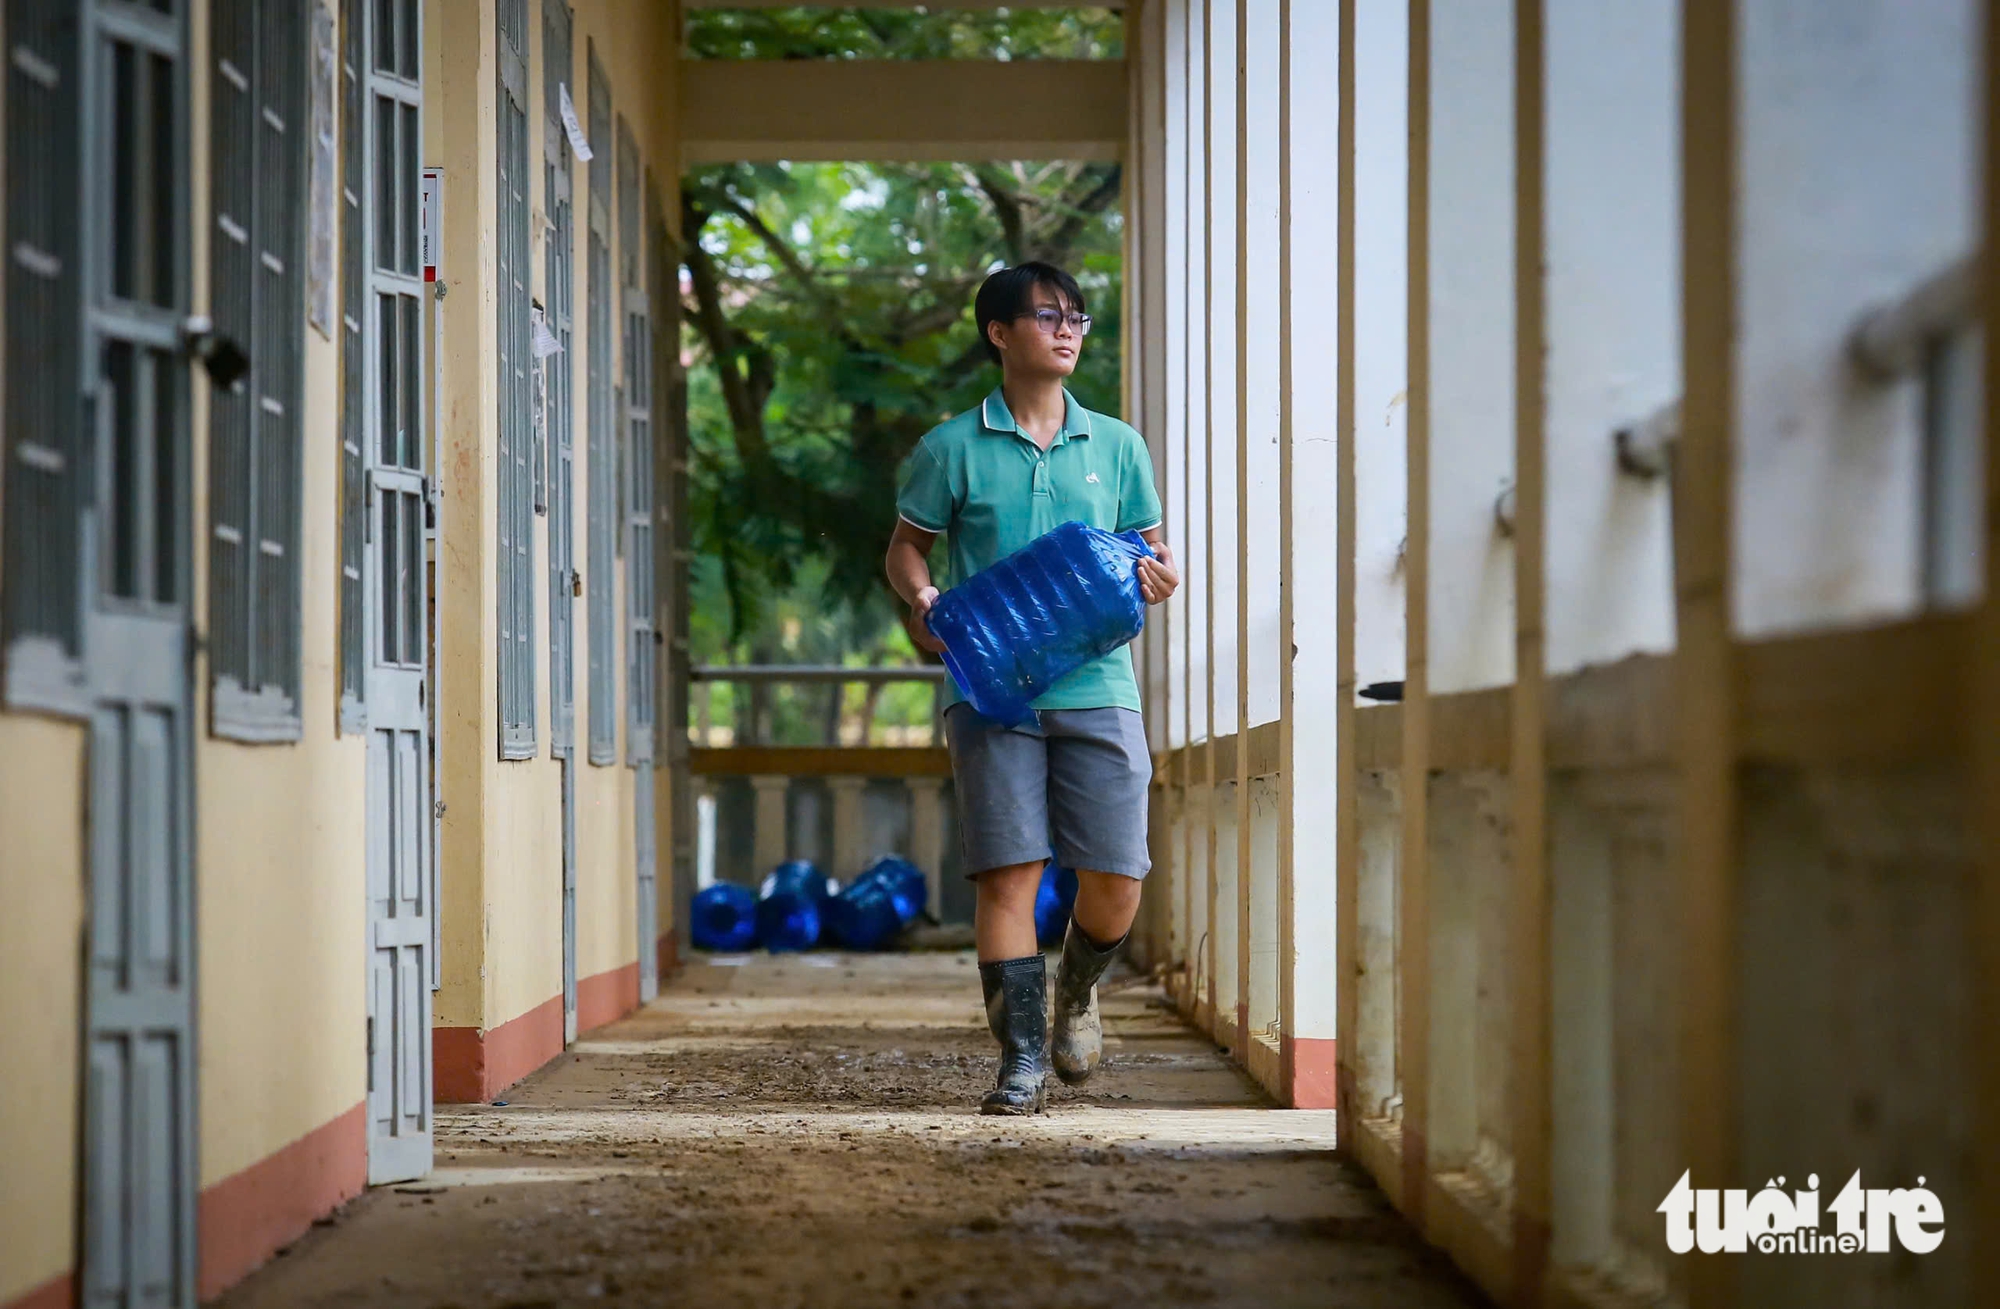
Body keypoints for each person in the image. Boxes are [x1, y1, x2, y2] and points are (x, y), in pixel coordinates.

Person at [885, 262, 1179, 1114]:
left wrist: (1160, 575)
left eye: (1078, 318)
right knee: (1008, 875)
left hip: (1099, 680)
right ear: (999, 333)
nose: (1069, 330)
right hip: (995, 690)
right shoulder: (951, 447)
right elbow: (905, 548)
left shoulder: (1119, 444)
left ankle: (1077, 993)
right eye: (1049, 315)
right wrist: (923, 594)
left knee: (1117, 876)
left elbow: (1150, 550)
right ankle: (1019, 1060)